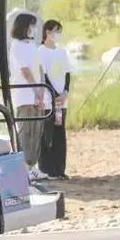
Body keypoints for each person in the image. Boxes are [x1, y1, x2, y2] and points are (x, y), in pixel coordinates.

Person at [9, 13, 45, 179]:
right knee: (26, 131)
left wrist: (41, 91)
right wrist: (36, 90)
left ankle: (32, 166)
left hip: (38, 95)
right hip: (24, 96)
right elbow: (25, 70)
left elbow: (39, 69)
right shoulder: (17, 45)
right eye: (31, 25)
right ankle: (24, 167)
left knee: (37, 131)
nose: (33, 29)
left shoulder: (31, 45)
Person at [38, 19, 72, 179]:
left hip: (61, 102)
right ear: (48, 32)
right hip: (48, 100)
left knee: (60, 134)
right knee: (47, 134)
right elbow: (43, 76)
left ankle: (60, 169)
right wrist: (54, 94)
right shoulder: (40, 51)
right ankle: (47, 169)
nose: (58, 35)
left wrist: (65, 92)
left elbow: (67, 73)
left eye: (59, 32)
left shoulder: (62, 52)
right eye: (56, 31)